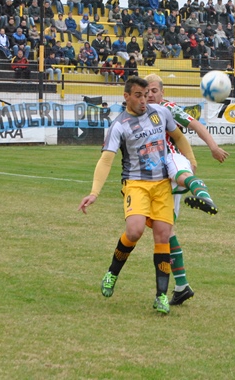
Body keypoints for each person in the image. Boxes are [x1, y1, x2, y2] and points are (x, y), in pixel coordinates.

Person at [78, 76, 194, 315]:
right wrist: (94, 192)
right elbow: (106, 160)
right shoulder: (119, 125)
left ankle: (161, 296)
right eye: (139, 96)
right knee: (135, 230)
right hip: (136, 184)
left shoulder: (160, 113)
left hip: (162, 184)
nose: (144, 100)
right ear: (127, 97)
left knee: (163, 235)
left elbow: (179, 137)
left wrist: (190, 161)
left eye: (146, 95)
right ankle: (112, 272)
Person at [145, 74, 229, 303]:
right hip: (152, 173)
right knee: (165, 232)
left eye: (154, 91)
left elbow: (195, 125)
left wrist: (213, 147)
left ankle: (203, 195)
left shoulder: (168, 108)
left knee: (181, 176)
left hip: (169, 164)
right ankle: (182, 286)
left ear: (162, 93)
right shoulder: (141, 110)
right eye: (147, 91)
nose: (150, 95)